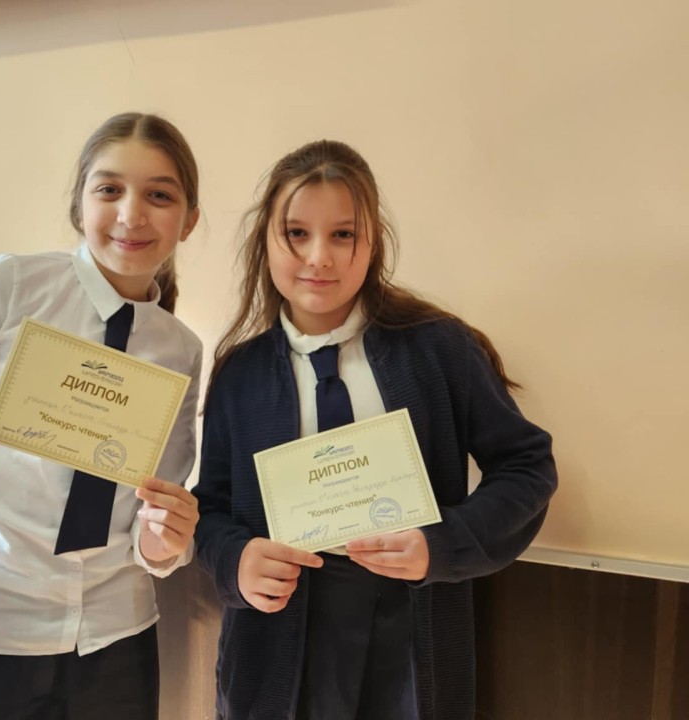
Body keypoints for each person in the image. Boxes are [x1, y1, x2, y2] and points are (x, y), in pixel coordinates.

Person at [193, 139, 557, 720]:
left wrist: (442, 546)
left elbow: (526, 466)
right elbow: (209, 507)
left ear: (373, 243)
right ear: (265, 240)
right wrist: (236, 560)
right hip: (277, 639)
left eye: (343, 234)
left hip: (411, 632)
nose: (319, 257)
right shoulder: (240, 374)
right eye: (296, 233)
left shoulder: (437, 349)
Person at [0, 112, 203, 720]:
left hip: (117, 636)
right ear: (80, 206)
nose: (132, 214)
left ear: (189, 219)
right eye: (109, 189)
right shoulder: (8, 287)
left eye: (159, 195)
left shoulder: (181, 349)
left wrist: (164, 543)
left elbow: (156, 511)